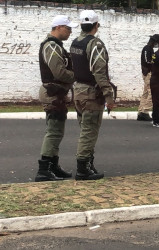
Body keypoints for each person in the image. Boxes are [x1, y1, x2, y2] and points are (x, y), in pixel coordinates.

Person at [70, 10, 114, 180]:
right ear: (96, 25)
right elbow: (99, 72)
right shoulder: (95, 44)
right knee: (89, 131)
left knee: (85, 130)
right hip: (91, 93)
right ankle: (83, 168)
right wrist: (109, 95)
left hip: (78, 91)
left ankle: (88, 164)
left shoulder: (75, 43)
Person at [35, 15, 78, 182]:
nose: (70, 32)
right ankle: (44, 169)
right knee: (54, 131)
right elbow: (59, 72)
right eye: (68, 28)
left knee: (57, 131)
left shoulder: (55, 46)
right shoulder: (52, 46)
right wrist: (77, 75)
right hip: (52, 93)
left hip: (57, 93)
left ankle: (53, 165)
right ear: (58, 27)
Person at [137, 34, 159, 121]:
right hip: (148, 73)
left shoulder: (150, 49)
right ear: (154, 42)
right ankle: (145, 111)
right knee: (152, 93)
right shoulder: (147, 48)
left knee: (146, 93)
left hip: (148, 73)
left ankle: (141, 111)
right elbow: (147, 61)